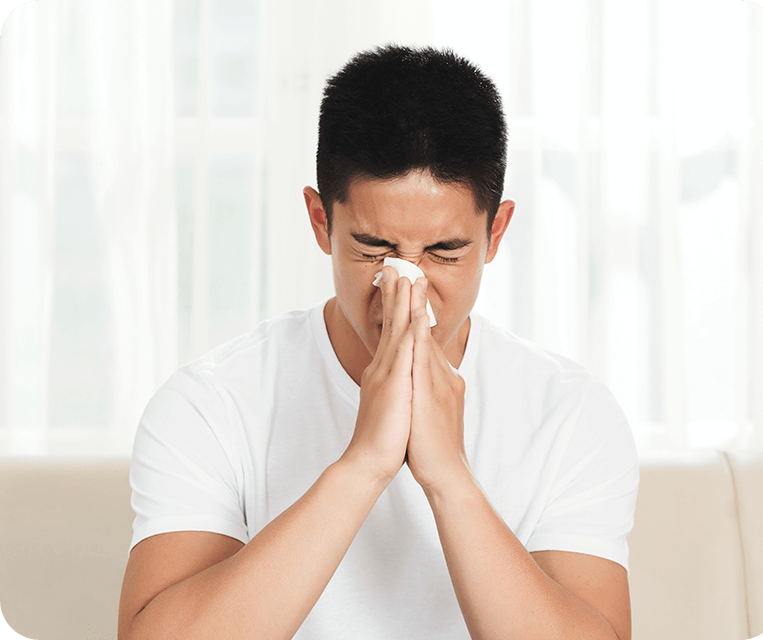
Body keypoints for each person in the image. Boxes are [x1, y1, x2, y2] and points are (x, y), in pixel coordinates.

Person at [118, 45, 639, 640]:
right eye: (372, 249)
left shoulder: (571, 413)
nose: (405, 283)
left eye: (445, 252)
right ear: (321, 222)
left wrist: (449, 478)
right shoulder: (211, 402)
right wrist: (364, 464)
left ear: (496, 232)